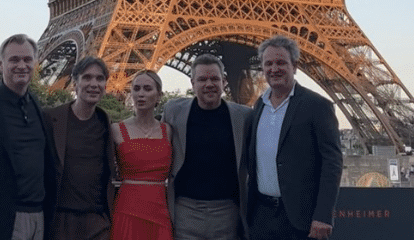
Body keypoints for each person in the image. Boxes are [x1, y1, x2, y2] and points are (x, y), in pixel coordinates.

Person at [243, 36, 343, 240]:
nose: (274, 69)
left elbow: (332, 163)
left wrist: (323, 215)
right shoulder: (259, 106)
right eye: (268, 64)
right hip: (261, 215)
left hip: (301, 219)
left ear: (295, 66)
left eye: (281, 62)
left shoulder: (317, 106)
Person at [0, 34, 58, 240]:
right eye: (14, 60)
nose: (21, 65)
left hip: (38, 217)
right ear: (0, 64)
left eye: (27, 60)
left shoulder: (36, 107)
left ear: (35, 63)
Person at [163, 55, 252, 240]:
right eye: (202, 79)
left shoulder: (243, 116)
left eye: (215, 79)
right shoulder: (173, 110)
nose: (209, 84)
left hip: (227, 212)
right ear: (193, 83)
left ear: (224, 81)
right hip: (185, 211)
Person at [43, 56, 116, 240]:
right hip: (60, 221)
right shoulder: (51, 119)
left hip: (97, 223)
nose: (94, 84)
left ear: (105, 86)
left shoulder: (106, 123)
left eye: (100, 79)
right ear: (75, 83)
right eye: (87, 77)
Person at [111, 70, 173, 240]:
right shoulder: (116, 130)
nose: (141, 94)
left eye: (147, 89)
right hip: (127, 210)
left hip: (160, 211)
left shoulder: (167, 131)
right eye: (136, 89)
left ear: (159, 95)